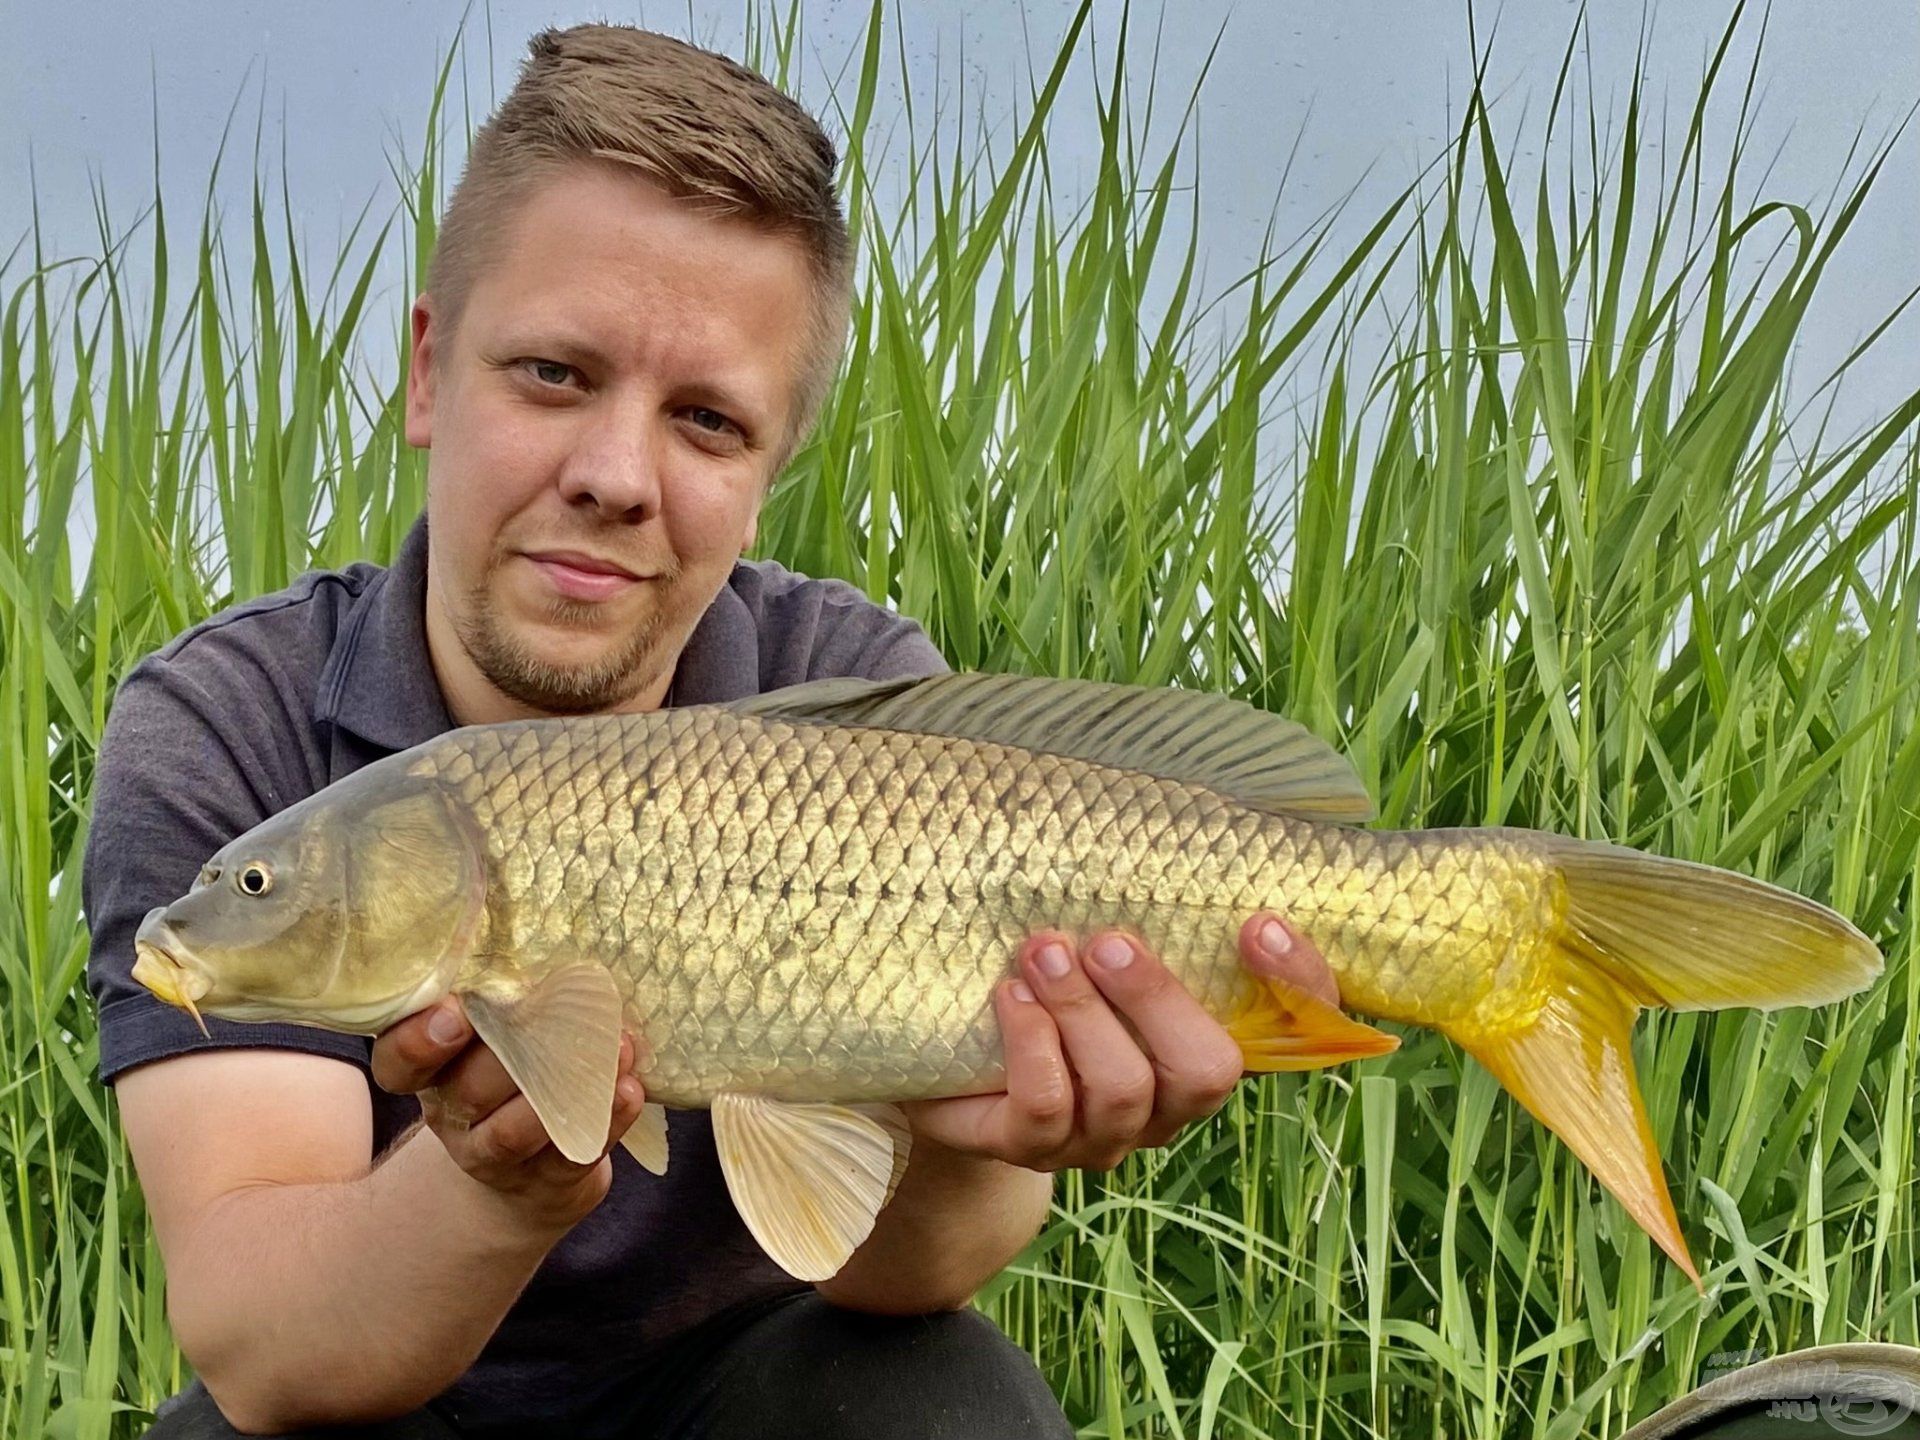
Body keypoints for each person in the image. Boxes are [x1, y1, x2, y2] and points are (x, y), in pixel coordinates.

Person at [82, 23, 1346, 1439]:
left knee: (939, 1395)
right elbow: (267, 1350)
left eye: (705, 422)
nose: (617, 476)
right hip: (375, 1399)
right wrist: (501, 1178)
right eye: (555, 373)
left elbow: (904, 1271)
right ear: (430, 372)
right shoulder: (226, 719)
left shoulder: (860, 697)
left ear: (770, 470)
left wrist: (967, 1137)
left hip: (748, 1396)